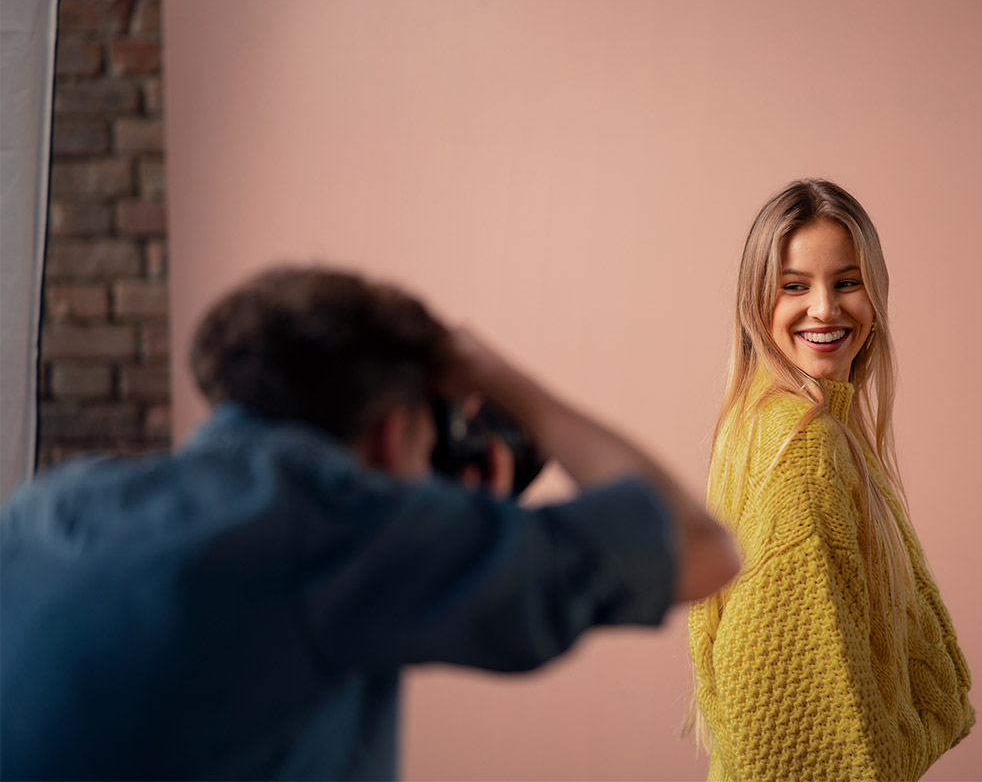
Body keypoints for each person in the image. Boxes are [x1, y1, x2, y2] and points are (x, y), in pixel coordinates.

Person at [0, 266, 740, 781]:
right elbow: (700, 549)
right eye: (427, 441)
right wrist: (507, 384)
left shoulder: (52, 503)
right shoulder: (333, 527)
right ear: (391, 433)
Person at [687, 179, 975, 781]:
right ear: (756, 303)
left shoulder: (769, 423)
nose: (825, 308)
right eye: (795, 286)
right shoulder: (802, 444)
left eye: (847, 282)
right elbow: (790, 732)